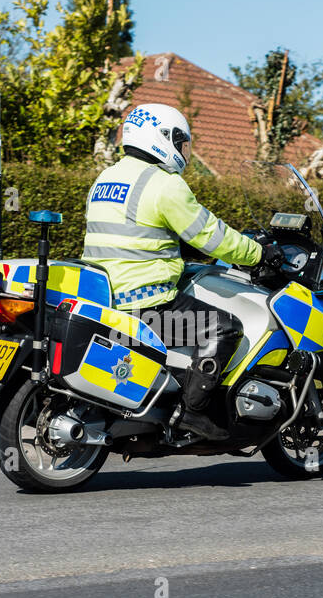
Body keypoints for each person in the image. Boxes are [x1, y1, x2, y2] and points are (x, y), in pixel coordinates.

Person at [81, 102, 281, 441]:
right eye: (180, 141)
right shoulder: (163, 184)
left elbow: (137, 232)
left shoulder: (107, 177)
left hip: (105, 296)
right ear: (162, 138)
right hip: (146, 302)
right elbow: (211, 235)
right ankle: (192, 412)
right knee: (225, 329)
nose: (183, 151)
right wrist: (258, 253)